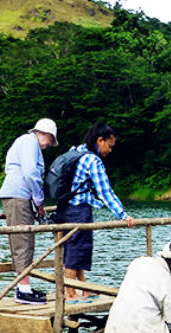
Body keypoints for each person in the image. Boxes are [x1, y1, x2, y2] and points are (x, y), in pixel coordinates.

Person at [57, 123, 134, 302]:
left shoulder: (75, 150)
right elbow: (105, 192)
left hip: (64, 209)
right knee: (76, 252)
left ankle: (83, 290)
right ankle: (69, 293)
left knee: (74, 250)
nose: (110, 150)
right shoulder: (93, 161)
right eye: (109, 145)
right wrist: (123, 215)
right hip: (79, 211)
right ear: (100, 140)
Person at [0, 118, 58, 304]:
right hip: (19, 195)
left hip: (19, 196)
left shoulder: (27, 143)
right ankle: (23, 290)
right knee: (23, 240)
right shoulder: (29, 142)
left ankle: (23, 286)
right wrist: (39, 201)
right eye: (49, 139)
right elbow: (31, 173)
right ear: (43, 133)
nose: (48, 144)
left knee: (24, 240)